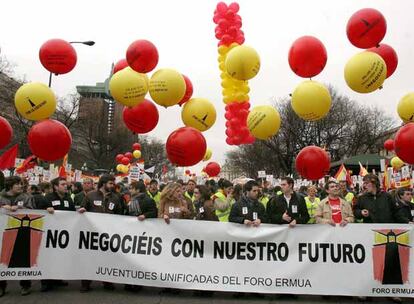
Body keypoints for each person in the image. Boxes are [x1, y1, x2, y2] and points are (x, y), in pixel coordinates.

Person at [354, 174, 400, 303]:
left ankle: (391, 291)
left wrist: (406, 222)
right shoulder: (362, 198)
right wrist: (360, 213)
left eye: (366, 183)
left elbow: (396, 212)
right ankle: (367, 291)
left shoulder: (387, 197)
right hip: (369, 234)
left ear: (374, 183)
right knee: (369, 263)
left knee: (389, 263)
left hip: (387, 234)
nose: (364, 185)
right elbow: (355, 210)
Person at [78, 174, 124, 292]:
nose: (113, 186)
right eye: (110, 183)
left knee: (107, 258)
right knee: (89, 258)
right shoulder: (90, 195)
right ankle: (86, 283)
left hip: (108, 234)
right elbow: (83, 209)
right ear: (103, 183)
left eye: (113, 184)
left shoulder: (115, 198)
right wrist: (82, 210)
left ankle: (107, 281)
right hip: (92, 233)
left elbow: (119, 214)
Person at [0, 176, 34, 296]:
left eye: (21, 184)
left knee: (23, 257)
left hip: (22, 233)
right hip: (3, 233)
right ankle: (1, 286)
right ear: (10, 185)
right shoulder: (1, 197)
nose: (21, 186)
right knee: (2, 258)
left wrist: (20, 209)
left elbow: (33, 211)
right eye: (18, 184)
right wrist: (3, 208)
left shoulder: (26, 197)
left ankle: (25, 285)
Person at [124, 180, 157, 292]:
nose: (130, 190)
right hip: (130, 233)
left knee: (139, 259)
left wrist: (145, 215)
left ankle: (138, 284)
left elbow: (154, 213)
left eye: (132, 188)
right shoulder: (130, 200)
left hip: (142, 234)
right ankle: (128, 283)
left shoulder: (148, 200)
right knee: (128, 259)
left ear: (137, 190)